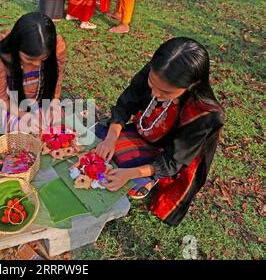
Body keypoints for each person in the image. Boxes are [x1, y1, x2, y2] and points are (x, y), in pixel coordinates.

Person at [96, 37, 224, 225]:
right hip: (148, 131)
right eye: (151, 83)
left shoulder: (204, 114)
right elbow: (126, 103)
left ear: (191, 85)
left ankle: (150, 177)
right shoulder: (157, 72)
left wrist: (131, 174)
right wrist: (110, 138)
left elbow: (174, 160)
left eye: (166, 92)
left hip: (172, 153)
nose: (155, 94)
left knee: (122, 169)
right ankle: (139, 165)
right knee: (100, 137)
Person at [0, 12, 66, 133]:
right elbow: (1, 99)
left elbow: (56, 80)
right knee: (22, 130)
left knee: (56, 120)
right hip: (14, 104)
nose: (37, 64)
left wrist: (54, 101)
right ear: (16, 48)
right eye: (29, 59)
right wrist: (25, 116)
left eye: (43, 59)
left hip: (42, 99)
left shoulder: (57, 47)